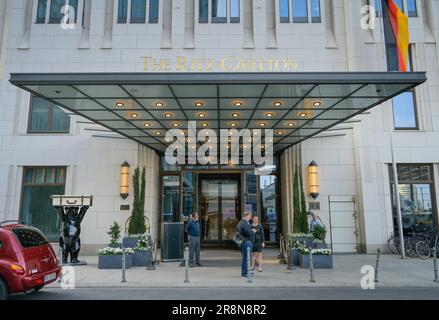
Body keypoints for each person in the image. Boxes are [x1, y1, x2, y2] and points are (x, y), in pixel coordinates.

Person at [237, 211, 254, 278]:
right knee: (246, 258)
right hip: (246, 242)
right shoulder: (244, 223)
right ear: (246, 216)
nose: (250, 217)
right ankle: (245, 273)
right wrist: (252, 231)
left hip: (243, 242)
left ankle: (246, 272)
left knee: (245, 258)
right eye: (249, 216)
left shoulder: (240, 223)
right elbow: (249, 233)